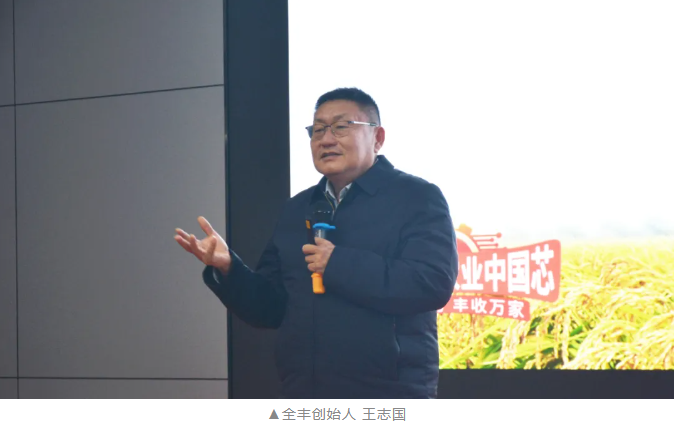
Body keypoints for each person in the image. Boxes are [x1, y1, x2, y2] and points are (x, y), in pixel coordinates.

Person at [174, 88, 458, 398]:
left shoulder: (416, 197)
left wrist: (337, 264)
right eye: (318, 129)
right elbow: (270, 308)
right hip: (304, 391)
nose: (326, 139)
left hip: (389, 394)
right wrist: (229, 268)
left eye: (341, 127)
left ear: (377, 138)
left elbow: (431, 284)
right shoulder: (297, 208)